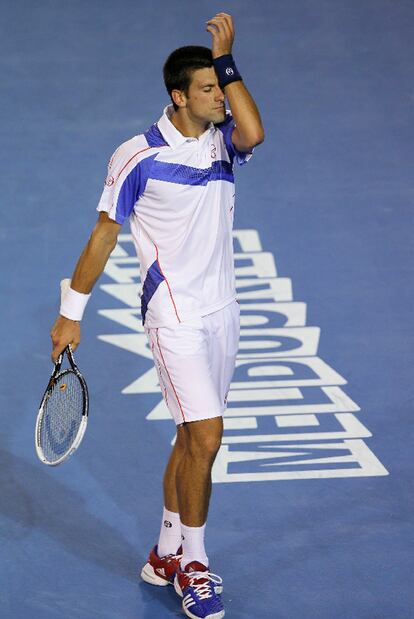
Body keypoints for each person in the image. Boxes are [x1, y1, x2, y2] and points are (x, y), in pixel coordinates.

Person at [50, 12, 264, 619]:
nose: (221, 98)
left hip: (224, 312)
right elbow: (103, 234)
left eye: (222, 87)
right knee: (207, 435)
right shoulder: (135, 156)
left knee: (189, 437)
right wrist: (72, 313)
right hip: (174, 318)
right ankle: (194, 564)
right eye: (208, 90)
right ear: (178, 96)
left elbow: (256, 132)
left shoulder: (223, 137)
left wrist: (227, 61)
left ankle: (166, 550)